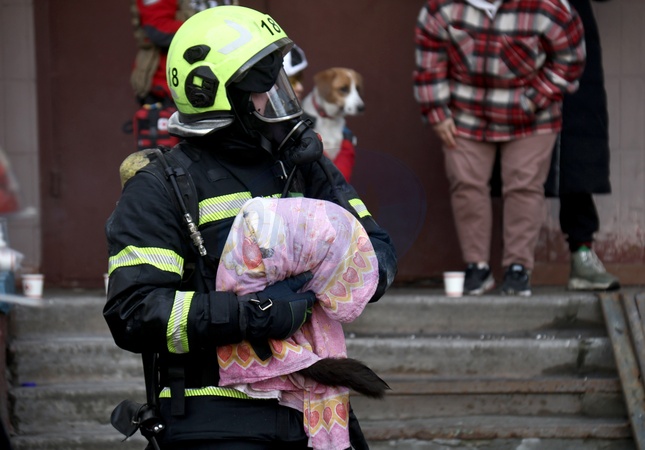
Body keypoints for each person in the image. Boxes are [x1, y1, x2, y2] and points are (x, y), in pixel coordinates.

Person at [105, 5, 397, 450]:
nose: (278, 99)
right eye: (264, 88)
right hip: (214, 415)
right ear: (216, 94)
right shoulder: (161, 186)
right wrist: (250, 315)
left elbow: (377, 259)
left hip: (314, 413)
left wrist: (317, 274)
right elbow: (133, 314)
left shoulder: (301, 166)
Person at [413, 0, 586, 296]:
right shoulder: (441, 7)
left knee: (524, 185)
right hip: (465, 110)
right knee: (466, 183)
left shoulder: (548, 6)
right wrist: (436, 111)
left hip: (532, 112)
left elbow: (570, 58)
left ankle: (519, 268)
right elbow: (429, 61)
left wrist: (535, 99)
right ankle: (477, 267)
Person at [544, 0, 620, 291]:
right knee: (507, 157)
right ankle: (504, 266)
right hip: (516, 33)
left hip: (573, 35)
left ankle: (582, 254)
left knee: (578, 152)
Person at [129, 0, 234, 150]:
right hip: (170, 89)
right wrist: (211, 32)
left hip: (220, 84)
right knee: (171, 157)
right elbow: (158, 28)